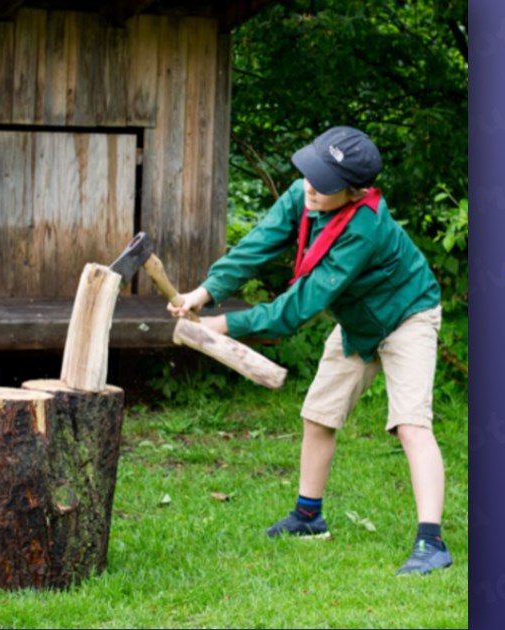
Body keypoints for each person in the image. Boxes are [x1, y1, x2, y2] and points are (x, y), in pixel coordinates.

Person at [167, 127, 451, 576]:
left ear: (355, 192)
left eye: (327, 183)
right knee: (318, 413)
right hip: (358, 322)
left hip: (406, 317)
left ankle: (431, 542)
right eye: (312, 173)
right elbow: (258, 244)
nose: (312, 186)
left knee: (411, 424)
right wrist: (204, 293)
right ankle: (307, 516)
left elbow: (298, 307)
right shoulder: (308, 195)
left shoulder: (365, 228)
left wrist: (222, 326)